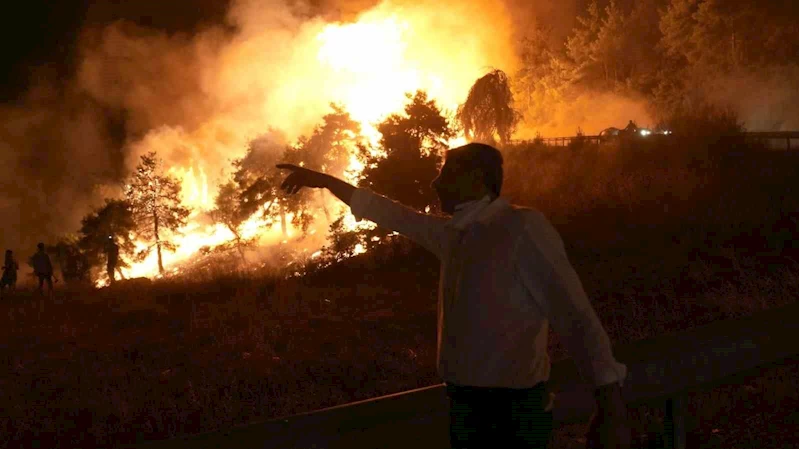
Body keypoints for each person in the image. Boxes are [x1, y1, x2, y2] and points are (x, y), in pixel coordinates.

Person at [276, 143, 630, 449]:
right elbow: (389, 212)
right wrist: (324, 181)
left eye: (446, 172)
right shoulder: (455, 235)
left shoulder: (522, 227)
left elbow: (575, 315)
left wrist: (610, 406)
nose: (435, 182)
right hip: (465, 407)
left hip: (513, 414)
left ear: (476, 178)